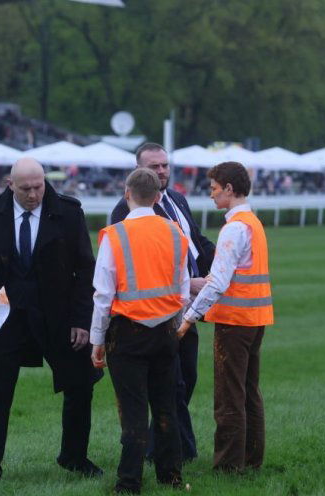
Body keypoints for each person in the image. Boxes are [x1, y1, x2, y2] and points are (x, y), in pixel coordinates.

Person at [0, 157, 102, 480]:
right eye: (26, 189)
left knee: (80, 384)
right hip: (3, 321)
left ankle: (74, 457)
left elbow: (85, 270)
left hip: (60, 318)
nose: (34, 194)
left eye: (39, 187)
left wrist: (82, 319)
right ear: (11, 186)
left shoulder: (68, 212)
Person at [110, 142, 215, 462]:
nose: (161, 171)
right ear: (138, 172)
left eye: (165, 165)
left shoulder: (178, 199)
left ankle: (161, 447)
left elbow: (196, 243)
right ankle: (180, 451)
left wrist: (222, 265)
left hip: (189, 305)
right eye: (154, 167)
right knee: (175, 383)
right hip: (159, 312)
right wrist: (189, 282)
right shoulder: (127, 210)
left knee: (187, 377)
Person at [91, 168, 188, 493]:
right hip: (165, 331)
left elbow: (103, 294)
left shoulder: (114, 235)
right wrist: (176, 320)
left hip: (127, 332)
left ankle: (129, 481)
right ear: (159, 196)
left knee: (132, 411)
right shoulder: (175, 231)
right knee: (165, 407)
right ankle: (171, 474)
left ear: (126, 193)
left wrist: (96, 340)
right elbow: (184, 288)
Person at [175, 161, 274, 473]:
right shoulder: (252, 222)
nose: (212, 195)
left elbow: (217, 282)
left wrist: (188, 319)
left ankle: (228, 466)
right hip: (255, 319)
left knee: (229, 396)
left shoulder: (234, 228)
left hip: (234, 322)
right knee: (249, 393)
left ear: (230, 189)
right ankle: (251, 459)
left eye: (214, 189)